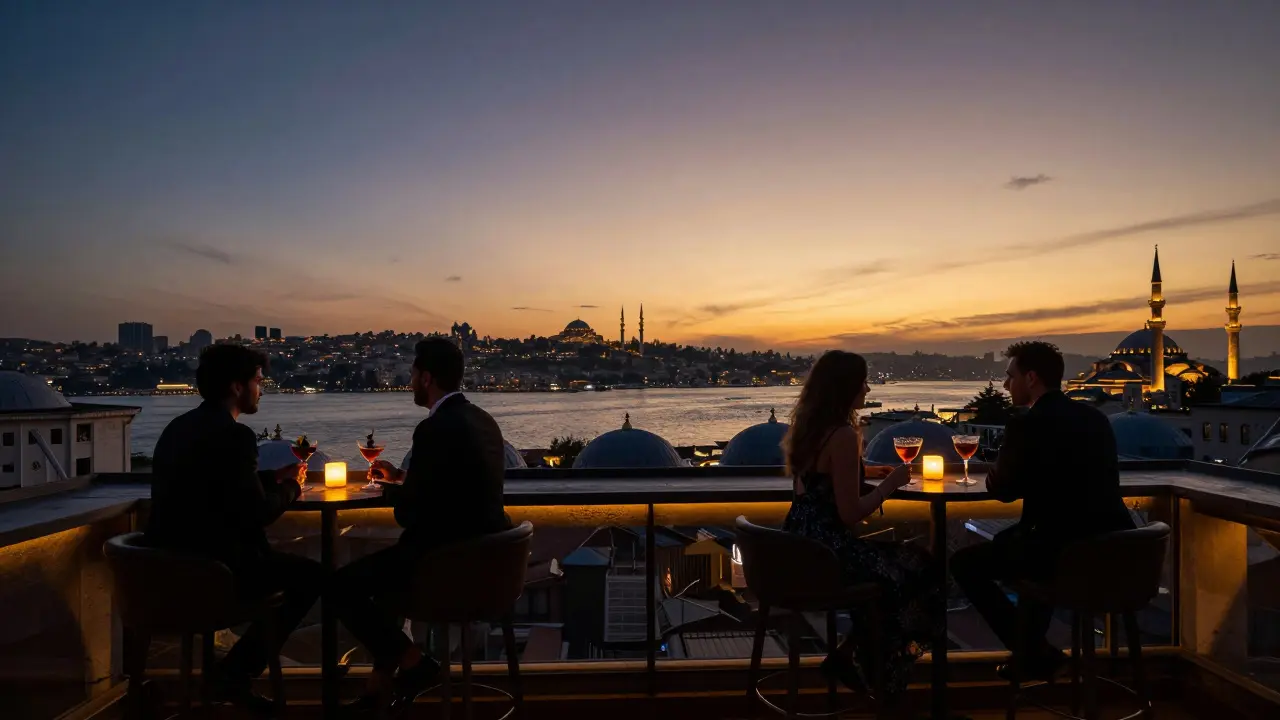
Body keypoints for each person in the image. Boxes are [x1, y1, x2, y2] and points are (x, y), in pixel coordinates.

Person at [330, 337, 510, 715]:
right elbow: (459, 485)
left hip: (446, 567)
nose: (410, 381)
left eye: (412, 375)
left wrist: (401, 495)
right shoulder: (484, 420)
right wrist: (403, 478)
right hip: (492, 566)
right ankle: (376, 692)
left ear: (426, 378)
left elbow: (411, 516)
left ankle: (415, 662)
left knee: (340, 588)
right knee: (387, 591)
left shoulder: (433, 429)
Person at [147, 344, 320, 715]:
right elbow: (255, 512)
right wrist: (291, 489)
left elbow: (214, 486)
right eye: (258, 381)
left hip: (164, 571)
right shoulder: (234, 435)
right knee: (311, 579)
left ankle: (230, 675)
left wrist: (272, 477)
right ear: (237, 387)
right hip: (217, 573)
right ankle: (234, 673)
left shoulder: (178, 428)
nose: (262, 389)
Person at [950, 341, 1134, 680]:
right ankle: (1031, 655)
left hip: (1062, 556)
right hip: (1117, 552)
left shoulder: (1028, 424)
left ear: (1031, 378)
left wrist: (1004, 453)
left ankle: (1034, 653)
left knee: (965, 564)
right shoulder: (1095, 418)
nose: (1005, 385)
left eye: (1010, 376)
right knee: (1026, 550)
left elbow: (1002, 490)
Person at [781, 350, 937, 717]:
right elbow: (850, 513)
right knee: (921, 570)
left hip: (799, 545)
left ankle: (851, 656)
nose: (868, 389)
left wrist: (869, 472)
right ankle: (886, 684)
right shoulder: (842, 436)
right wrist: (891, 485)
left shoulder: (809, 429)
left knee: (893, 579)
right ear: (846, 388)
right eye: (863, 382)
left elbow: (821, 485)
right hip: (828, 555)